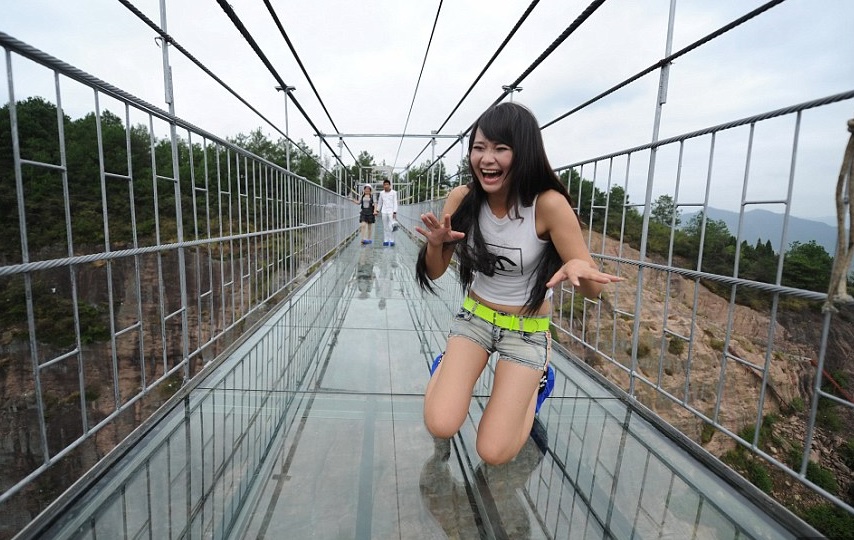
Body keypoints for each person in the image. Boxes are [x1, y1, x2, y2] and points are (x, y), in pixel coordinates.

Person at [415, 102, 622, 465]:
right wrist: (435, 246)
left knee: (493, 452)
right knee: (441, 423)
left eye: (500, 148)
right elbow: (434, 272)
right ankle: (447, 365)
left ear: (523, 152)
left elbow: (593, 290)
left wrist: (577, 264)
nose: (486, 159)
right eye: (479, 147)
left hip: (527, 331)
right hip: (475, 320)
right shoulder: (463, 198)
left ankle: (537, 384)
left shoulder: (549, 205)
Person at [375, 179, 399, 246]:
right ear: (383, 185)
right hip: (384, 211)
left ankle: (391, 240)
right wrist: (377, 210)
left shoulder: (394, 192)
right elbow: (380, 203)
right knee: (385, 226)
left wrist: (395, 212)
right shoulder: (381, 193)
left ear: (389, 185)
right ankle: (386, 240)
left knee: (391, 226)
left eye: (387, 184)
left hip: (391, 211)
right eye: (384, 185)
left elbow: (395, 202)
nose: (386, 186)